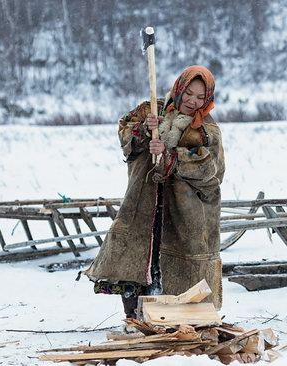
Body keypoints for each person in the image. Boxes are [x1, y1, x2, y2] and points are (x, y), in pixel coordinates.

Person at [81, 65, 225, 318]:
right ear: (179, 89)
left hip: (186, 214)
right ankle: (137, 319)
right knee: (139, 261)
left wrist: (171, 157)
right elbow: (127, 139)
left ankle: (181, 320)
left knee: (179, 269)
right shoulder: (151, 111)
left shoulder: (206, 130)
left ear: (208, 99)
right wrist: (146, 131)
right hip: (145, 205)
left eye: (200, 97)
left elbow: (213, 172)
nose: (192, 101)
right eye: (189, 93)